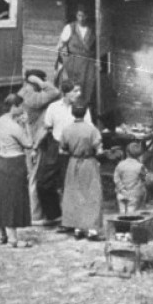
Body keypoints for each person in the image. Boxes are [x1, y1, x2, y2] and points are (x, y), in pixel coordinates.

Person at [42, 80, 92, 229]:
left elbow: (88, 127)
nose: (79, 94)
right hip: (56, 146)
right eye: (75, 91)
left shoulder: (81, 108)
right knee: (44, 183)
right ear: (65, 92)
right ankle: (54, 215)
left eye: (79, 91)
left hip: (73, 149)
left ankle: (70, 221)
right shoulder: (53, 107)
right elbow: (47, 127)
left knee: (69, 185)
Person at [17, 69, 61, 224]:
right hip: (34, 141)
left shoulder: (26, 93)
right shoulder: (30, 94)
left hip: (30, 140)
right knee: (35, 177)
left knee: (33, 176)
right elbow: (54, 92)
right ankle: (35, 215)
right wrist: (40, 82)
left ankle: (35, 213)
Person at [0, 94, 34, 248]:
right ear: (15, 106)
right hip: (15, 162)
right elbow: (29, 143)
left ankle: (1, 235)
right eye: (21, 106)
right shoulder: (15, 126)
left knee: (2, 198)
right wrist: (27, 125)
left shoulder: (0, 120)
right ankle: (13, 239)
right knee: (14, 199)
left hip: (2, 161)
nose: (23, 109)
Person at [60, 102, 104, 240]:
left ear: (72, 113)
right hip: (89, 162)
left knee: (75, 194)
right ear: (85, 113)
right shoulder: (92, 130)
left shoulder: (67, 130)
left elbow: (62, 150)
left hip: (73, 163)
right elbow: (99, 150)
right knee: (92, 194)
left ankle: (78, 228)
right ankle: (92, 230)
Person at [57, 7, 97, 112]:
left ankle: (84, 112)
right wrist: (66, 61)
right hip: (74, 62)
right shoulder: (70, 27)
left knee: (88, 87)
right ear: (76, 16)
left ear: (87, 16)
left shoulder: (93, 29)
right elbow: (60, 45)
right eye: (79, 15)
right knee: (74, 86)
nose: (81, 18)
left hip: (88, 63)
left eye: (84, 16)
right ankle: (72, 111)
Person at [114, 141, 148, 214]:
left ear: (127, 153)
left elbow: (116, 178)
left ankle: (122, 224)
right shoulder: (140, 166)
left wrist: (121, 188)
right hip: (134, 194)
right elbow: (145, 178)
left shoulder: (120, 165)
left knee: (122, 213)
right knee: (132, 214)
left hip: (121, 193)